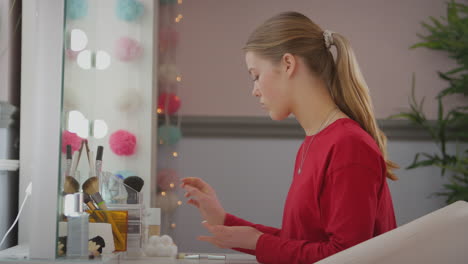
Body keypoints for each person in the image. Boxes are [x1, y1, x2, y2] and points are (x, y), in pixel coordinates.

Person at [181, 11, 398, 264]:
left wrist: (257, 242)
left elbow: (346, 256)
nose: (255, 90)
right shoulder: (315, 142)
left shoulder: (348, 146)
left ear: (287, 64)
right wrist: (223, 219)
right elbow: (303, 243)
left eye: (256, 75)